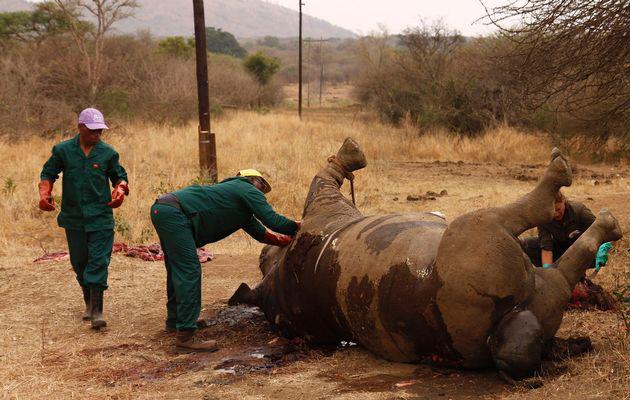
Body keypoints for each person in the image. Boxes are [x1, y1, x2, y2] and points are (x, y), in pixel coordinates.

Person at [150, 169, 300, 352]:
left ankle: (176, 321)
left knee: (177, 268)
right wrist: (297, 227)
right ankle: (185, 338)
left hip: (165, 210)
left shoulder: (236, 203)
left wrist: (281, 240)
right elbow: (273, 220)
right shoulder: (245, 187)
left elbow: (260, 232)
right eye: (261, 186)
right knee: (189, 270)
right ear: (251, 179)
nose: (261, 193)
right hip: (175, 214)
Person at [39, 108, 129, 329]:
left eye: (99, 131)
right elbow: (48, 172)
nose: (96, 135)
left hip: (101, 217)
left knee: (98, 262)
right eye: (92, 131)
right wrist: (45, 192)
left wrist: (120, 189)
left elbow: (120, 176)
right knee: (80, 263)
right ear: (80, 127)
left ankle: (98, 312)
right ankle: (88, 303)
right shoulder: (63, 151)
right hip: (74, 218)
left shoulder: (108, 153)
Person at [522, 191, 612, 269]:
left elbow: (601, 230)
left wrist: (602, 249)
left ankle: (580, 278)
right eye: (551, 211)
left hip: (583, 249)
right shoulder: (544, 218)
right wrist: (547, 270)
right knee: (528, 245)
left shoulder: (579, 211)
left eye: (558, 209)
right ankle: (556, 274)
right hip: (562, 249)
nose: (556, 214)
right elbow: (546, 248)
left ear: (563, 201)